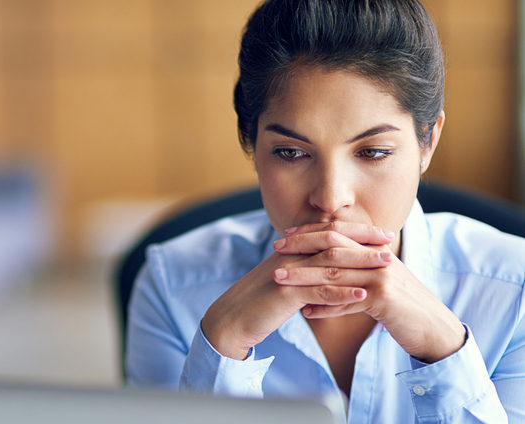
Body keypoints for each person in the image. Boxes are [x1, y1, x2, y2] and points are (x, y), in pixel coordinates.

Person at [126, 0, 525, 422]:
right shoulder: (172, 286)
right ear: (252, 146)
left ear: (428, 142)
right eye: (291, 152)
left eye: (373, 152)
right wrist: (222, 347)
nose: (332, 199)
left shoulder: (514, 291)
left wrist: (443, 350)